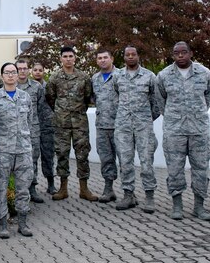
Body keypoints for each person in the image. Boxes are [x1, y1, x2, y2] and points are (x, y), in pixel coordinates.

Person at [156, 41, 210, 221]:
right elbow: (161, 102)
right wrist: (175, 118)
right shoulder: (164, 75)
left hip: (199, 130)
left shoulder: (204, 73)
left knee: (201, 169)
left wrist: (196, 116)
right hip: (174, 131)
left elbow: (208, 97)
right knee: (174, 169)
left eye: (183, 52)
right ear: (172, 55)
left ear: (191, 53)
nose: (180, 56)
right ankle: (177, 206)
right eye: (176, 53)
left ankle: (199, 206)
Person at [45, 46, 97, 202]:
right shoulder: (54, 78)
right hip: (61, 123)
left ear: (75, 58)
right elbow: (50, 98)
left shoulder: (84, 77)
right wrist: (62, 111)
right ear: (60, 59)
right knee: (62, 154)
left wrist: (78, 110)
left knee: (82, 154)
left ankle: (84, 189)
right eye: (65, 56)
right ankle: (63, 189)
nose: (68, 59)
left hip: (80, 122)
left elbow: (88, 97)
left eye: (70, 56)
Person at [113, 46, 161, 212]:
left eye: (134, 54)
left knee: (146, 161)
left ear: (138, 56)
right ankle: (128, 195)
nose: (131, 57)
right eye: (128, 54)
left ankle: (149, 197)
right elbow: (115, 97)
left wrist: (146, 118)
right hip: (123, 127)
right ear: (124, 57)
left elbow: (156, 103)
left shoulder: (149, 76)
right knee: (125, 162)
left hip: (143, 127)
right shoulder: (117, 76)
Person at [0, 63, 33, 238]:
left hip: (23, 150)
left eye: (14, 72)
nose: (11, 76)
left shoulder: (25, 97)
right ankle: (3, 224)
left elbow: (29, 121)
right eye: (7, 73)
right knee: (1, 188)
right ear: (2, 76)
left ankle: (23, 223)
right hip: (2, 150)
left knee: (23, 189)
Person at [16, 59, 46, 204]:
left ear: (29, 70)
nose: (22, 71)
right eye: (19, 68)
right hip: (13, 130)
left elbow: (40, 107)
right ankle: (17, 189)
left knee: (32, 160)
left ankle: (32, 188)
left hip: (32, 129)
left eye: (25, 68)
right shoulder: (8, 86)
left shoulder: (36, 87)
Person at [91, 49, 119, 204]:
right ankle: (108, 189)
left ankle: (130, 192)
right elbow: (93, 99)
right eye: (99, 58)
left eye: (105, 57)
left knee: (125, 160)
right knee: (106, 159)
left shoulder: (121, 76)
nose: (102, 60)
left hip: (120, 126)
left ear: (112, 58)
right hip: (102, 126)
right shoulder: (94, 78)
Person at [31, 61, 57, 194]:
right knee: (32, 157)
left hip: (47, 125)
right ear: (32, 71)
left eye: (40, 70)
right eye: (35, 70)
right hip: (33, 126)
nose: (37, 72)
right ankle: (33, 186)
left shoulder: (49, 87)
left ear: (44, 72)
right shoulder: (28, 88)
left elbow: (54, 103)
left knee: (48, 155)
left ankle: (51, 183)